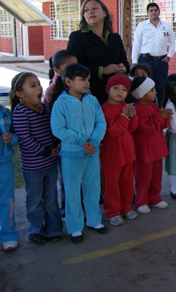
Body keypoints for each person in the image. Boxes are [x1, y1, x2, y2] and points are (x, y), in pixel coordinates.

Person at [50, 64, 108, 244]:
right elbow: (58, 128)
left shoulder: (92, 100)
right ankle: (75, 227)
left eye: (88, 80)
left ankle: (94, 220)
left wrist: (93, 142)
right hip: (71, 155)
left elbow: (101, 123)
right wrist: (81, 142)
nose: (87, 83)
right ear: (68, 82)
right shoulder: (61, 103)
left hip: (92, 152)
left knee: (92, 187)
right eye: (82, 80)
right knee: (73, 191)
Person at [11, 72, 63, 245]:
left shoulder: (45, 108)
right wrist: (46, 151)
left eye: (38, 84)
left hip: (50, 163)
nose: (39, 88)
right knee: (34, 200)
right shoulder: (20, 112)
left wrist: (56, 144)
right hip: (33, 167)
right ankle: (36, 230)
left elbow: (52, 129)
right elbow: (25, 139)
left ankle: (54, 229)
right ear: (20, 93)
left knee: (51, 197)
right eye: (32, 85)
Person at [67, 0, 130, 104]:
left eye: (94, 8)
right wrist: (102, 70)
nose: (90, 11)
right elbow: (74, 68)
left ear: (105, 13)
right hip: (90, 92)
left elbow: (125, 62)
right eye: (86, 10)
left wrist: (122, 68)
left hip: (115, 94)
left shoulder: (115, 37)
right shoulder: (77, 37)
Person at [43, 50, 78, 219]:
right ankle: (67, 211)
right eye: (69, 67)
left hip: (82, 144)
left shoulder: (83, 88)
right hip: (64, 145)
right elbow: (53, 123)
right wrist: (58, 141)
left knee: (81, 179)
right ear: (57, 70)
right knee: (67, 180)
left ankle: (80, 209)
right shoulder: (52, 92)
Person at [130, 76, 172, 214]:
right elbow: (146, 127)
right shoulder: (137, 109)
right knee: (143, 177)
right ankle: (141, 201)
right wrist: (161, 117)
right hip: (144, 150)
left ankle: (154, 198)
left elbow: (161, 126)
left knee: (156, 176)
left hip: (157, 149)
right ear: (141, 94)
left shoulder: (154, 106)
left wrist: (165, 117)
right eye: (151, 90)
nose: (155, 92)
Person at [100, 75, 139, 226]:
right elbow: (111, 132)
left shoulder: (125, 107)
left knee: (127, 183)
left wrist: (133, 117)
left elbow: (132, 128)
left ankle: (125, 207)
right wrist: (124, 116)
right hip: (112, 155)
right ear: (108, 90)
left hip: (127, 154)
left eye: (124, 90)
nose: (119, 92)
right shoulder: (104, 109)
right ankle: (112, 212)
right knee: (111, 186)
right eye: (115, 88)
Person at [132, 2, 176, 105]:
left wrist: (169, 56)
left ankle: (159, 108)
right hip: (145, 61)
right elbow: (136, 44)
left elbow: (173, 42)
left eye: (155, 10)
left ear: (159, 12)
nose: (153, 12)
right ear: (147, 13)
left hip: (161, 62)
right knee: (145, 87)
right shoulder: (142, 26)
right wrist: (134, 61)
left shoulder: (166, 26)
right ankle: (145, 109)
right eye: (151, 11)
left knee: (161, 88)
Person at [0, 102, 19, 251]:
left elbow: (16, 136)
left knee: (7, 200)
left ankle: (9, 235)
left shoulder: (5, 114)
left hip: (5, 165)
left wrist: (11, 138)